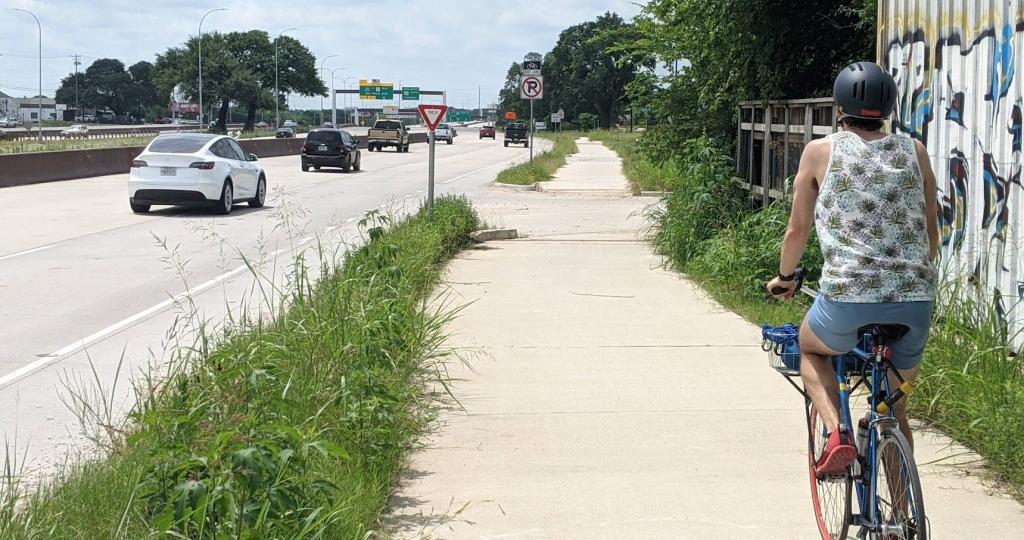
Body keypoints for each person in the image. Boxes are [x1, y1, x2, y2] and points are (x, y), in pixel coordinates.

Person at [766, 62, 939, 478]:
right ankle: (901, 520)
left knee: (809, 348)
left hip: (848, 298)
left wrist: (785, 279)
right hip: (915, 301)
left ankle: (837, 432)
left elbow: (797, 230)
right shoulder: (914, 151)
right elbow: (932, 233)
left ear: (838, 107)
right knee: (895, 407)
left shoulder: (820, 152)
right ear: (888, 108)